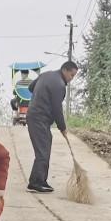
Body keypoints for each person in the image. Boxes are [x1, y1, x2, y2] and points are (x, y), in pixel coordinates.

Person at [26, 60, 77, 193]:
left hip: (34, 115)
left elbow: (31, 87)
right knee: (43, 150)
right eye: (71, 75)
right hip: (39, 118)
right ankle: (36, 182)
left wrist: (40, 95)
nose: (71, 79)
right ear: (65, 70)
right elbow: (56, 109)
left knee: (45, 146)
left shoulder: (46, 75)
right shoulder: (59, 85)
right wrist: (63, 127)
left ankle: (41, 180)